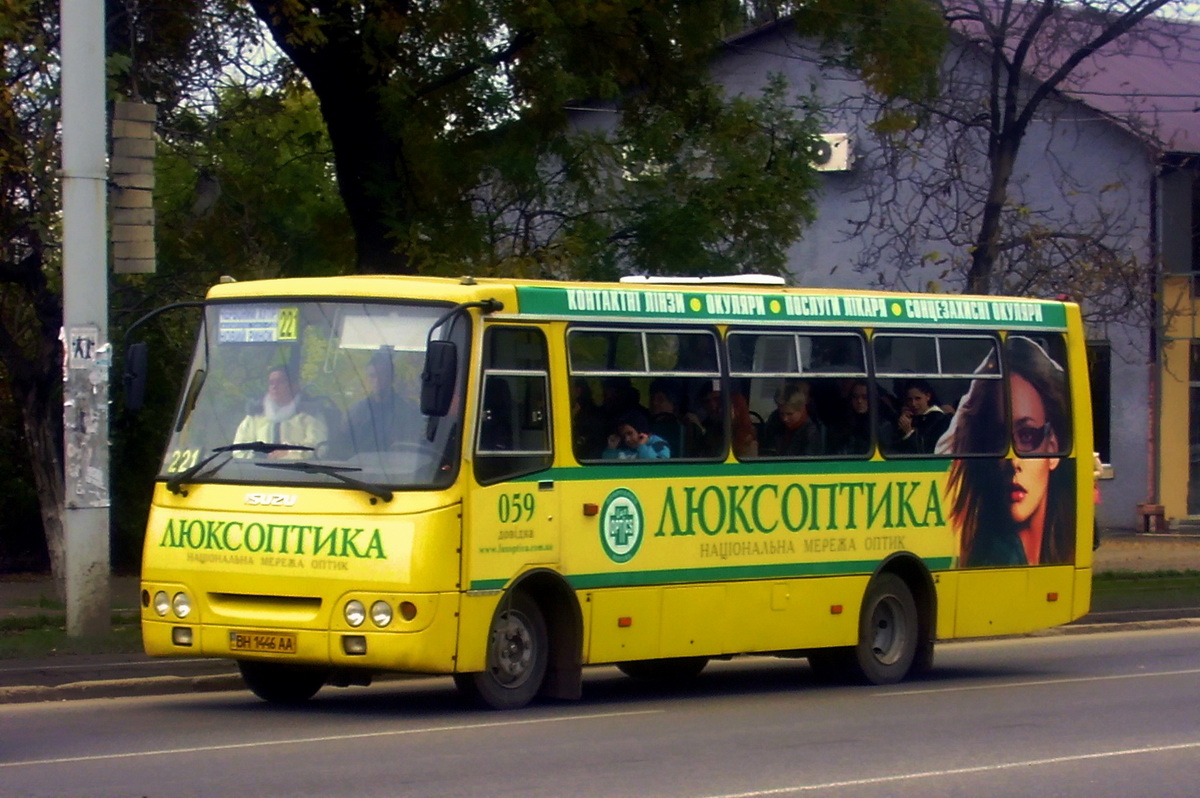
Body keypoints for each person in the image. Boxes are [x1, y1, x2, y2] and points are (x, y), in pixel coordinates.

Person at [937, 336, 1075, 566]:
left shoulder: (1065, 549)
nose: (1012, 461)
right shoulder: (984, 558)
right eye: (998, 439)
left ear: (1053, 448)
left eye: (1027, 435)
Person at [234, 364, 328, 458]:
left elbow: (319, 447)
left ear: (294, 386)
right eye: (271, 383)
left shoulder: (310, 414)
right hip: (255, 471)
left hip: (297, 470)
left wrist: (289, 454)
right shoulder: (255, 415)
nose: (274, 387)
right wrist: (259, 457)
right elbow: (238, 449)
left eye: (280, 382)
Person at [339, 349, 419, 456]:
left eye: (382, 375)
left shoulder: (409, 412)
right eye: (372, 376)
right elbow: (344, 446)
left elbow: (413, 447)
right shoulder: (355, 412)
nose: (377, 381)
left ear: (392, 378)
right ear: (367, 379)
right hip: (358, 468)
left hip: (399, 468)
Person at [888, 378, 951, 454]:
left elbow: (925, 451)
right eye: (909, 400)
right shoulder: (911, 418)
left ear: (928, 396)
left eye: (918, 399)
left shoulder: (939, 419)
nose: (913, 404)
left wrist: (909, 432)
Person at [760, 381, 822, 457]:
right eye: (781, 413)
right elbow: (767, 447)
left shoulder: (811, 433)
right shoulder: (774, 420)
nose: (785, 419)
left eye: (790, 414)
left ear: (801, 409)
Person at [602, 411, 671, 460]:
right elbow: (608, 466)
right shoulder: (623, 447)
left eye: (630, 433)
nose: (627, 439)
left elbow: (656, 466)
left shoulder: (659, 445)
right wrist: (611, 449)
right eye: (623, 436)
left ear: (641, 431)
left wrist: (642, 446)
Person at [830, 379, 873, 455]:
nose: (859, 401)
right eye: (855, 397)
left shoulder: (882, 426)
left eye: (864, 397)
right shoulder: (843, 425)